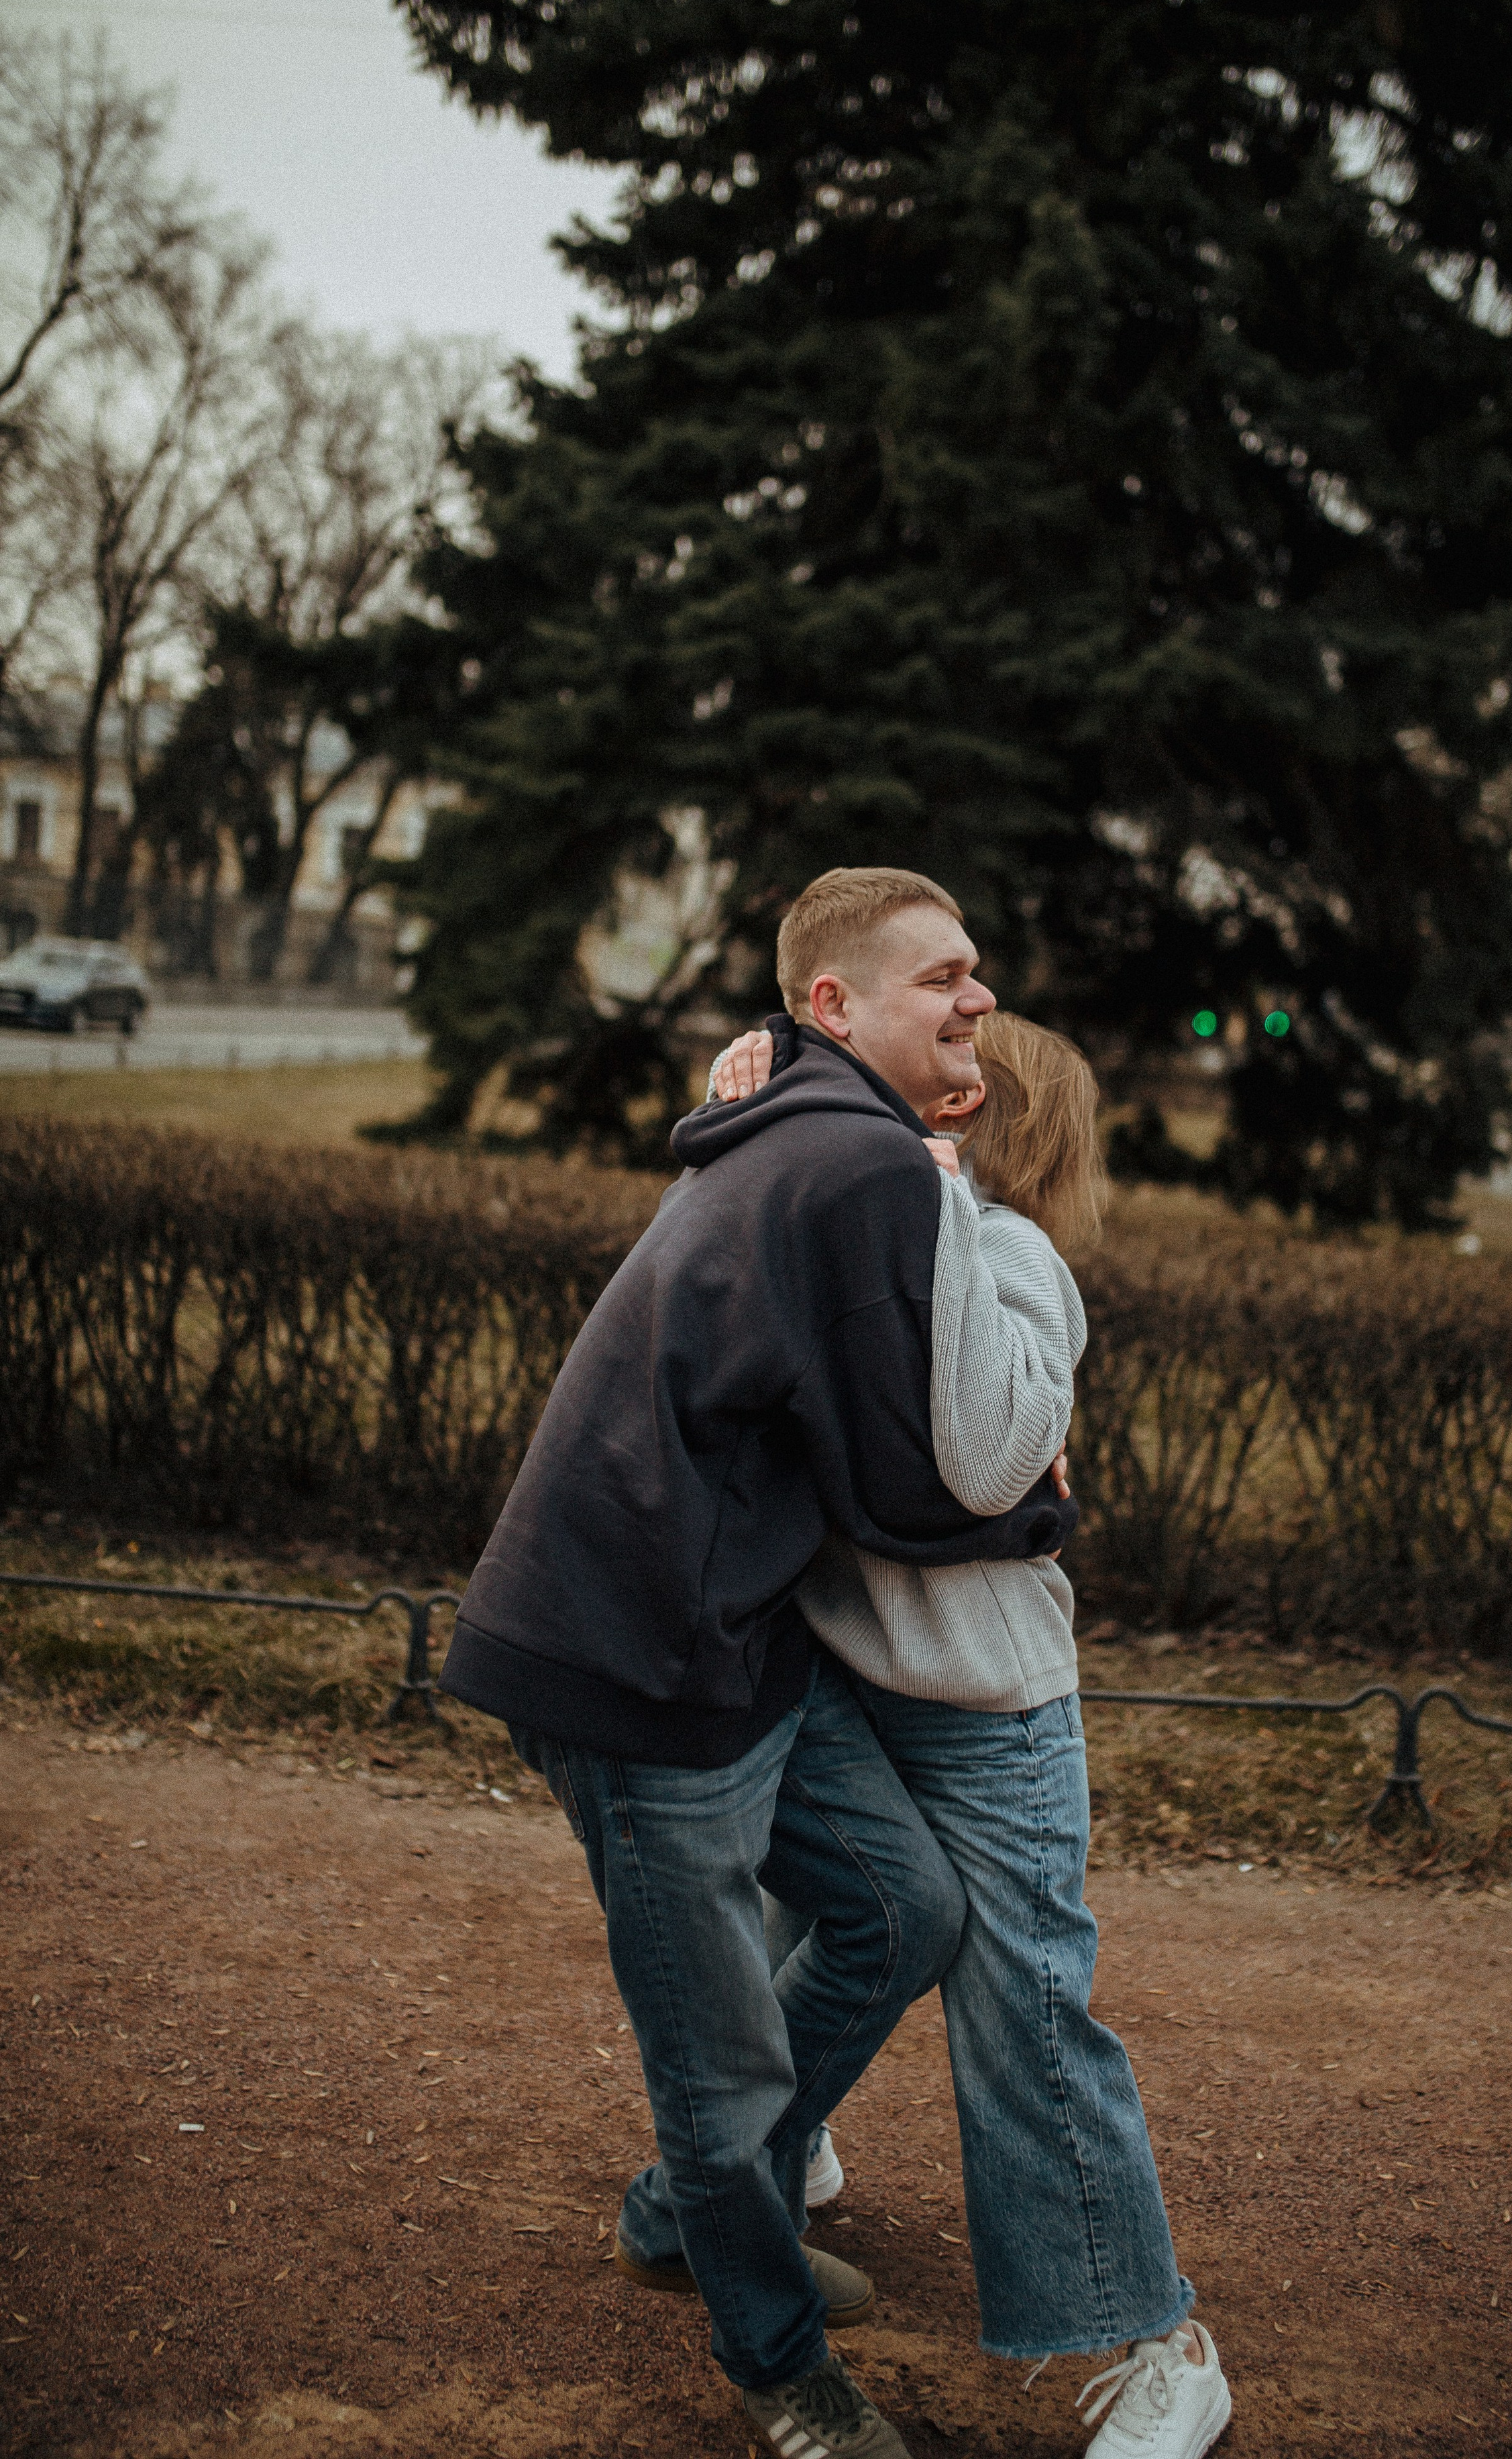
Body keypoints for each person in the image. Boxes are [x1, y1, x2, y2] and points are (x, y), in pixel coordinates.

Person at [437, 868, 1075, 2459]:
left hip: (736, 1639)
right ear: (834, 1010)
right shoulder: (857, 1164)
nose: (975, 998)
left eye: (975, 972)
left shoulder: (816, 1131)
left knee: (902, 1905)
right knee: (718, 2071)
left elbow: (855, 1451)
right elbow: (912, 1475)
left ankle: (678, 2214)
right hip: (637, 1667)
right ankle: (778, 2365)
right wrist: (1040, 1512)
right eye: (941, 976)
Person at [702, 1007, 1232, 2459]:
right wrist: (740, 1080)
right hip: (841, 1678)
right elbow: (738, 1237)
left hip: (990, 1713)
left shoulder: (1007, 1256)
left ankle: (1154, 2343)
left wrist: (926, 1185)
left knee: (1026, 2017)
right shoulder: (874, 1230)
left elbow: (978, 1454)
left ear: (975, 1124)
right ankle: (776, 2157)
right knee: (802, 1931)